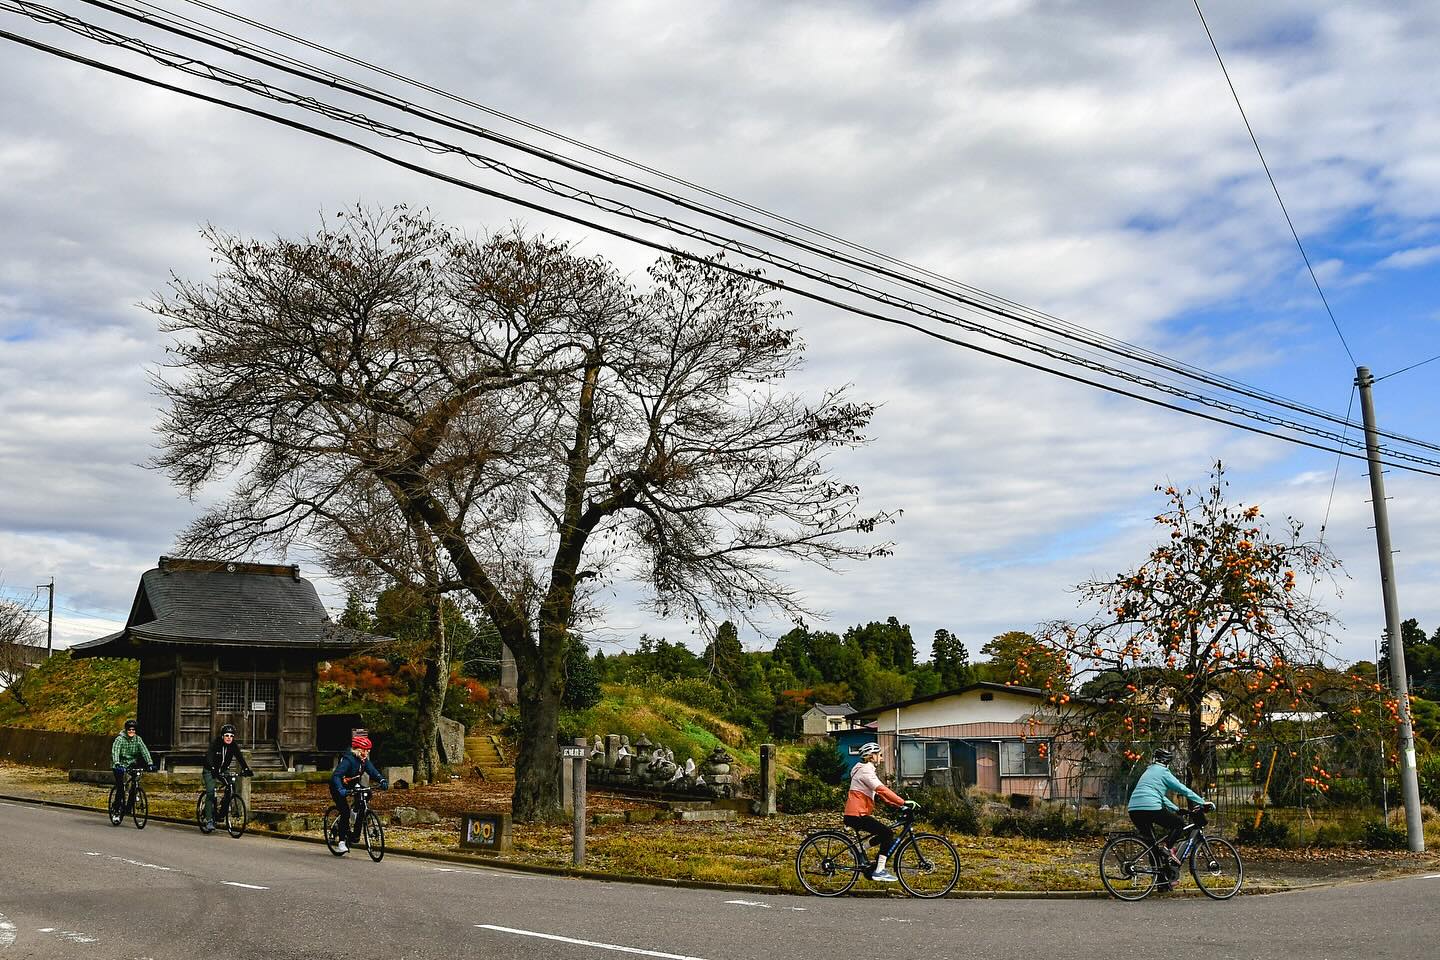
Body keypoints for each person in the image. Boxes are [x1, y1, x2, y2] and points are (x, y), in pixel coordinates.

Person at [1127, 747, 1213, 892]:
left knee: (1152, 847)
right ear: (1167, 762)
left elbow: (1159, 796)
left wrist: (1176, 809)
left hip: (1134, 809)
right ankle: (1168, 848)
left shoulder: (1148, 772)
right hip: (1150, 807)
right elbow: (1182, 789)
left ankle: (1162, 884)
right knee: (1179, 824)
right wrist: (1202, 802)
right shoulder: (1164, 772)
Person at [843, 742, 917, 882]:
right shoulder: (866, 770)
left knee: (885, 833)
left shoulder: (864, 770)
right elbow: (882, 789)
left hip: (857, 814)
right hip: (857, 814)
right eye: (879, 754)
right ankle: (879, 870)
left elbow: (882, 795)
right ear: (871, 756)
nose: (881, 757)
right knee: (887, 833)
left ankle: (859, 849)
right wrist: (903, 802)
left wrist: (899, 806)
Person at [329, 734, 389, 855]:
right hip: (338, 787)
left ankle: (355, 825)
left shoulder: (364, 760)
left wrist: (381, 780)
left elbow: (372, 771)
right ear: (357, 749)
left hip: (352, 785)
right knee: (345, 812)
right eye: (364, 750)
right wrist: (340, 789)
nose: (366, 752)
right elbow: (336, 776)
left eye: (368, 750)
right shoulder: (348, 760)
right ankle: (341, 842)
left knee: (367, 795)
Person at [201, 723, 253, 831]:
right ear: (222, 736)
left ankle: (222, 813)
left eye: (231, 736)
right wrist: (213, 768)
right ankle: (209, 820)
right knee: (210, 792)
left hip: (223, 770)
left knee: (231, 786)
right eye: (227, 735)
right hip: (210, 770)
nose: (229, 738)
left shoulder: (233, 745)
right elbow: (209, 756)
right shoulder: (216, 743)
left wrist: (246, 769)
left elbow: (240, 757)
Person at [110, 719, 156, 804]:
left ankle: (129, 807)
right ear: (126, 730)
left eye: (133, 730)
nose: (131, 731)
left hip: (131, 764)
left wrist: (150, 763)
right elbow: (115, 751)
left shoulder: (138, 739)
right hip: (119, 764)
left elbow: (144, 751)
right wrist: (116, 763)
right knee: (120, 788)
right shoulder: (119, 739)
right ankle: (116, 809)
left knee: (134, 785)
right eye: (129, 730)